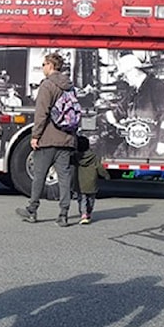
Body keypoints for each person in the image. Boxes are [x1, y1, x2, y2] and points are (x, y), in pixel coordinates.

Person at [15, 52, 78, 227]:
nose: (42, 68)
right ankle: (64, 214)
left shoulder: (47, 85)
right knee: (64, 178)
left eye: (43, 64)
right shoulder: (70, 86)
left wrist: (35, 136)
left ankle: (32, 210)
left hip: (48, 138)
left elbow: (41, 113)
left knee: (39, 176)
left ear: (50, 65)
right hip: (66, 138)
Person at [105, 52, 164, 159]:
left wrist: (163, 142)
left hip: (159, 149)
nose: (123, 79)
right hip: (140, 147)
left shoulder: (159, 87)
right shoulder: (133, 92)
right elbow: (119, 111)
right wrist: (105, 117)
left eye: (124, 75)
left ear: (133, 72)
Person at [74, 135, 110, 224]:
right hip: (92, 182)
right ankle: (89, 212)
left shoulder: (75, 157)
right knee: (91, 199)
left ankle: (83, 214)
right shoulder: (94, 157)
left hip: (79, 182)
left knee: (82, 199)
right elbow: (99, 168)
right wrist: (106, 175)